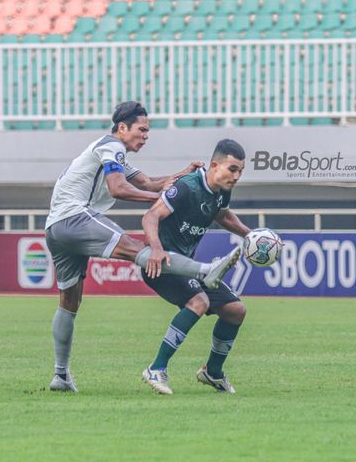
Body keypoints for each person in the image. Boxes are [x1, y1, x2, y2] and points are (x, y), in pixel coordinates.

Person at [45, 101, 241, 392]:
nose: (146, 136)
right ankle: (205, 271)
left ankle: (61, 375)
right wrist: (162, 201)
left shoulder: (115, 154)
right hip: (76, 216)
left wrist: (180, 175)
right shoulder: (112, 146)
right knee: (133, 248)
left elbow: (149, 182)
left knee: (69, 302)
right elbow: (118, 188)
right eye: (142, 129)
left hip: (55, 227)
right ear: (122, 128)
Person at [141, 139, 251, 395]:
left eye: (240, 171)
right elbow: (151, 216)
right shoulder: (187, 187)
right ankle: (156, 368)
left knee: (235, 310)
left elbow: (222, 215)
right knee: (199, 302)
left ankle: (212, 372)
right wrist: (156, 248)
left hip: (190, 267)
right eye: (232, 169)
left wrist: (250, 234)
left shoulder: (222, 190)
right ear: (215, 165)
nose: (237, 176)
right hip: (162, 264)